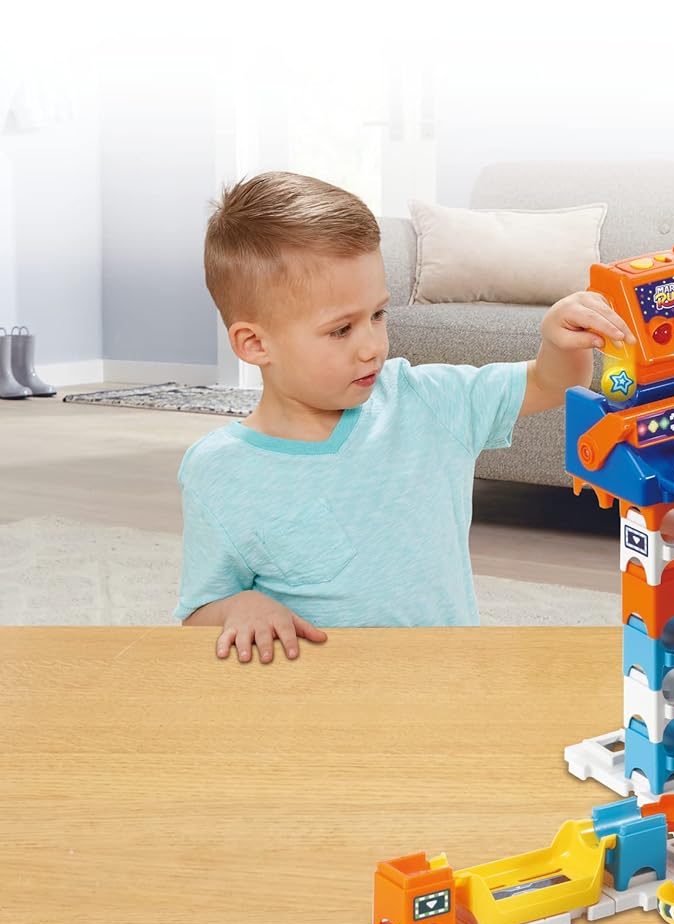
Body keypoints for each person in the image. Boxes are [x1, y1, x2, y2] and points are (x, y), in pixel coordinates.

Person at [175, 170, 627, 662]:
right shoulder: (217, 471)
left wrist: (560, 336)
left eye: (378, 315)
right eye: (341, 330)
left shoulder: (427, 400)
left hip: (448, 688)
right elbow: (200, 610)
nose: (372, 346)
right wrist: (239, 606)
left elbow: (549, 381)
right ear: (254, 344)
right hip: (320, 708)